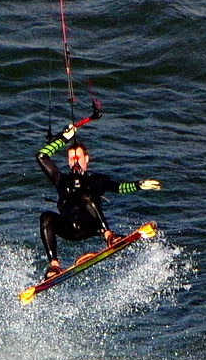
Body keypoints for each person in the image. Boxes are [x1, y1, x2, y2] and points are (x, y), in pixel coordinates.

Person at [35, 118, 161, 279]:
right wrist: (63, 138)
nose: (75, 162)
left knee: (85, 194)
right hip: (69, 228)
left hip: (90, 224)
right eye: (72, 159)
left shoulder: (96, 180)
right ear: (68, 162)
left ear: (87, 159)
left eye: (79, 158)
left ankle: (109, 236)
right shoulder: (60, 179)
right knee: (46, 216)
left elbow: (119, 187)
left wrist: (138, 185)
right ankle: (54, 266)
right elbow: (41, 156)